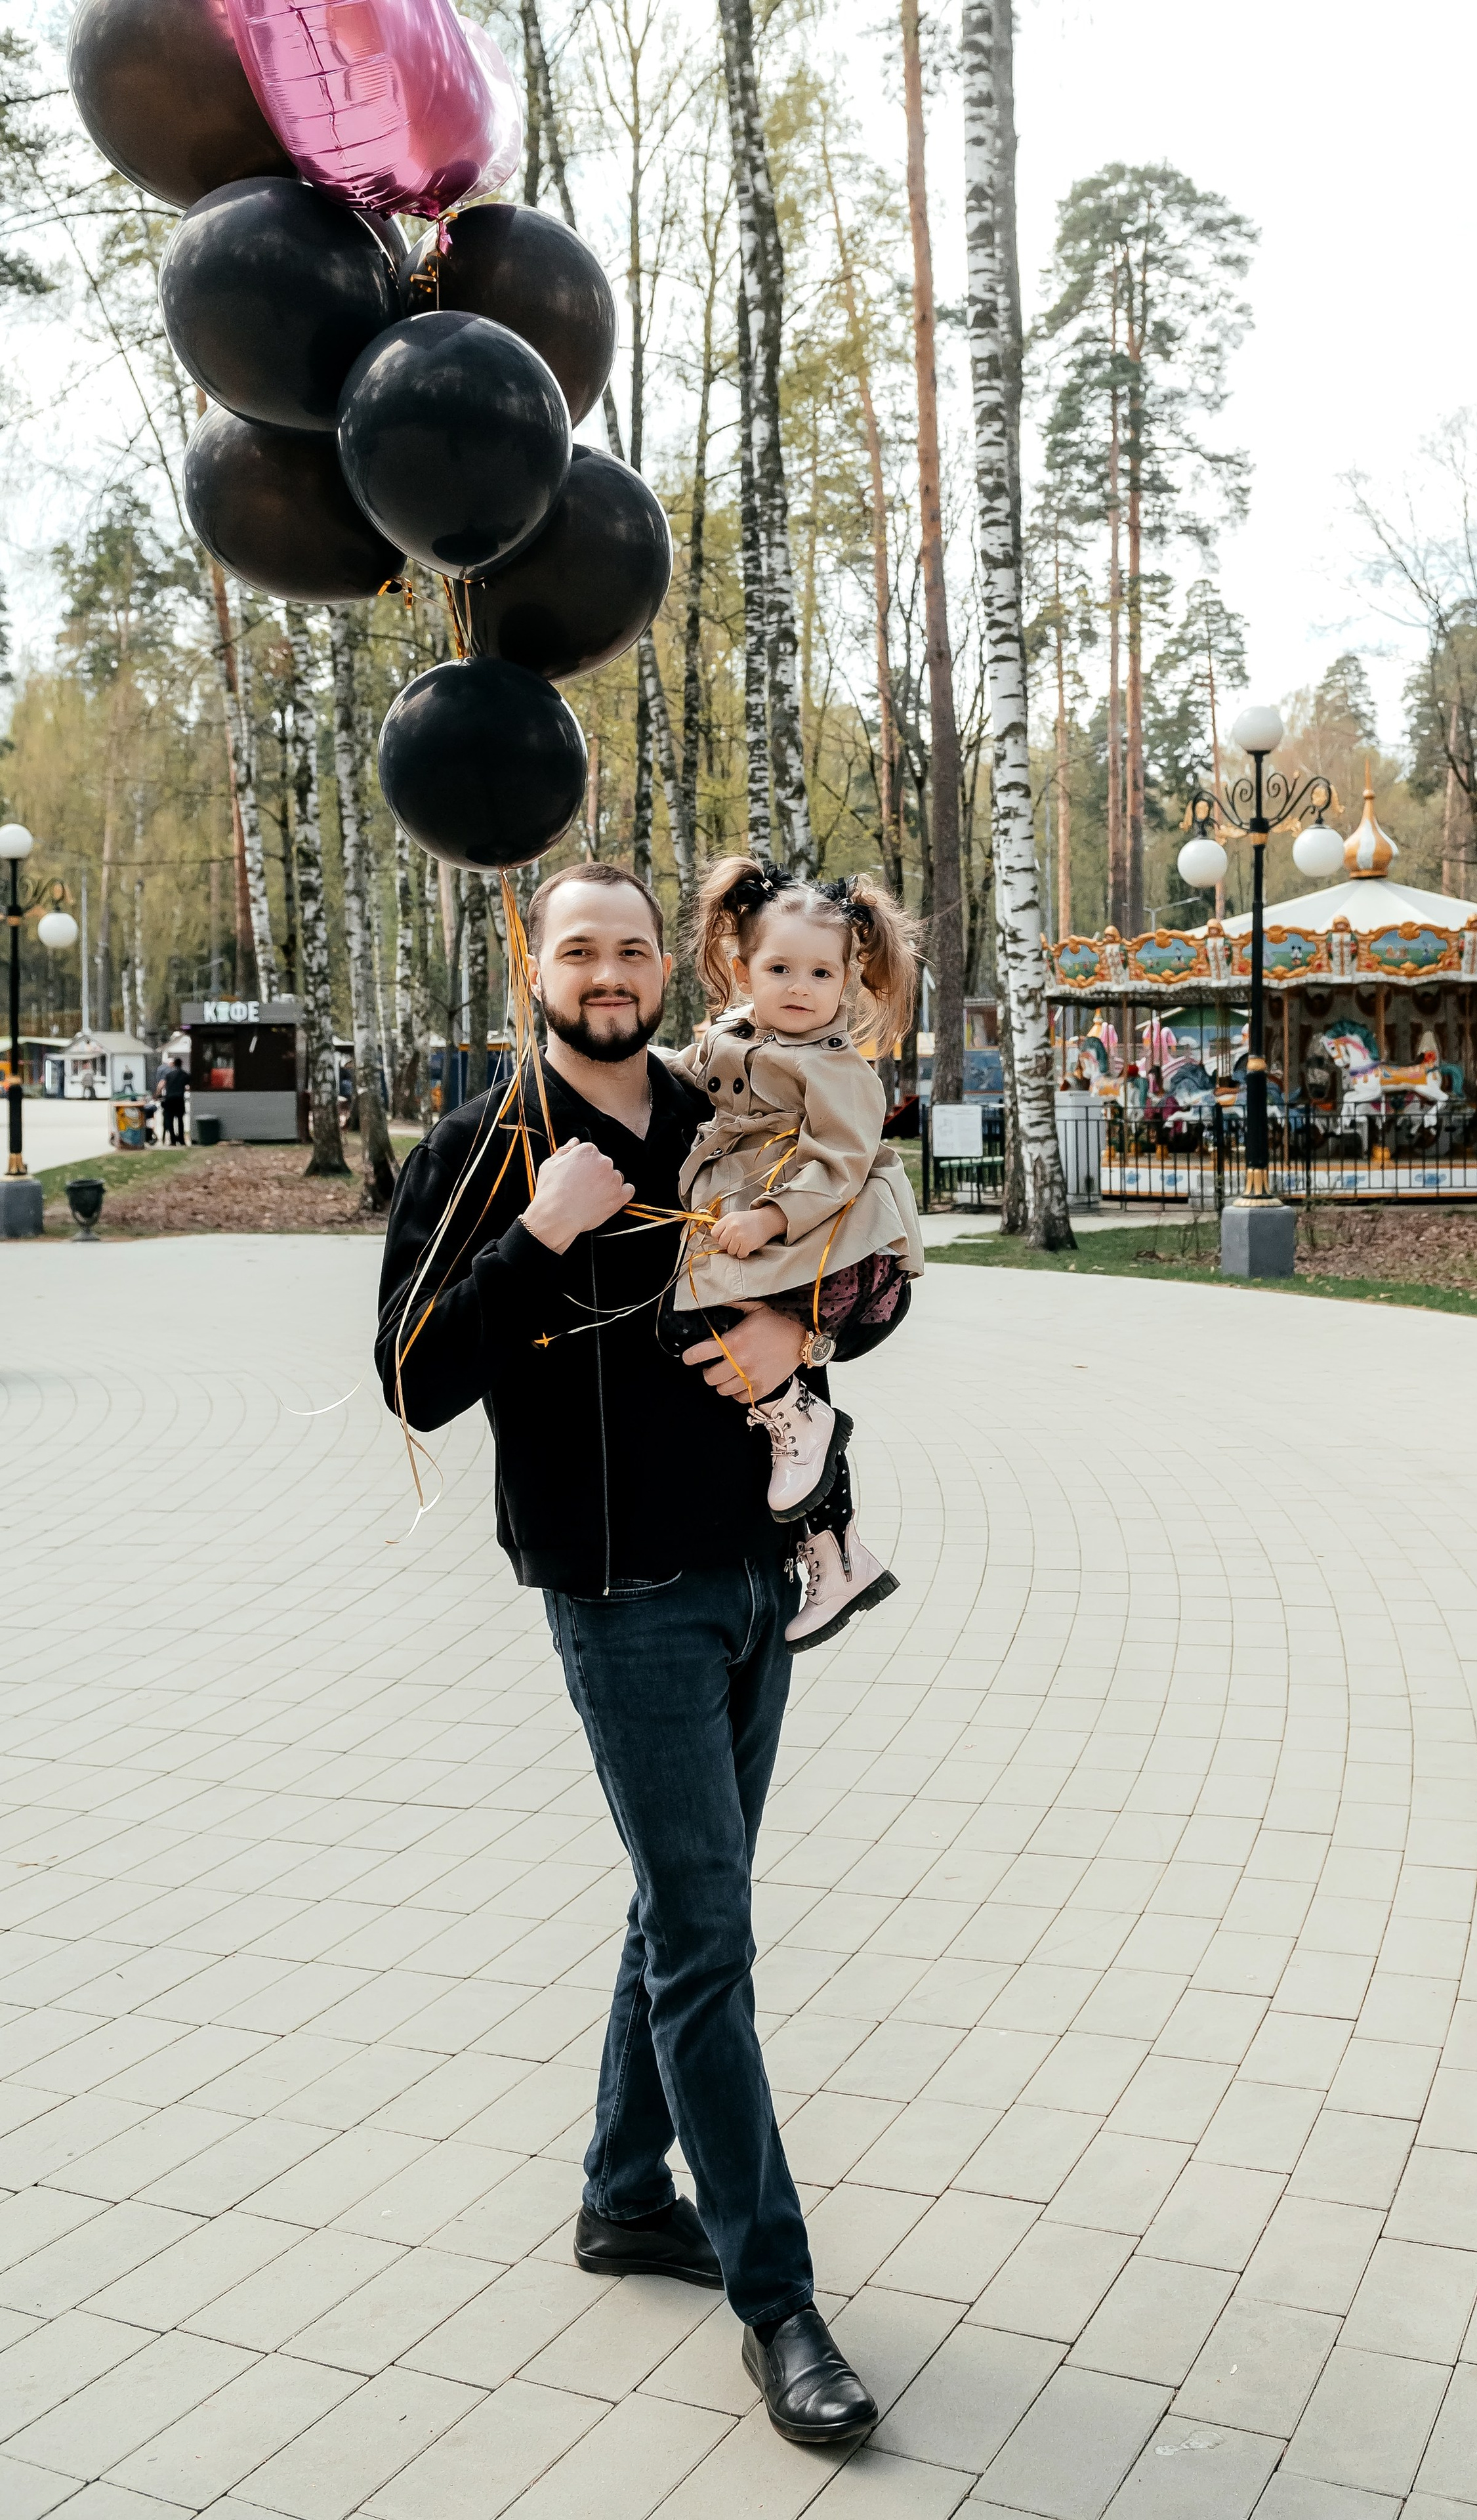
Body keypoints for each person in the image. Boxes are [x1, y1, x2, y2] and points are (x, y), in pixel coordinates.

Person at [374, 862, 892, 2451]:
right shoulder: (480, 1146)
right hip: (618, 1592)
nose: (609, 971)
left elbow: (858, 1250)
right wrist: (534, 1233)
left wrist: (811, 1333)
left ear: (680, 960)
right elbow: (410, 1375)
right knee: (706, 1932)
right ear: (537, 960)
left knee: (684, 1900)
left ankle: (619, 2194)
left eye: (634, 946)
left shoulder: (725, 1103)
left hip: (757, 1571)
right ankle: (776, 2298)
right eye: (578, 947)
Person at [667, 858, 923, 1648]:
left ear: (849, 979)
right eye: (780, 969)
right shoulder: (729, 1034)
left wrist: (771, 1218)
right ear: (744, 971)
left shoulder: (835, 1067)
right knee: (747, 1367)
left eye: (821, 972)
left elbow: (840, 1164)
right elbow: (681, 1075)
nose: (800, 987)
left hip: (822, 1231)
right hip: (753, 1223)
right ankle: (834, 1550)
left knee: (715, 1333)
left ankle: (799, 1422)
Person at [159, 1055, 188, 1146]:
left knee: (170, 1120)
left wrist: (158, 1095)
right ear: (181, 1064)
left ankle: (173, 1141)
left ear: (174, 1064)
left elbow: (161, 1085)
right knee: (180, 1120)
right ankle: (182, 1140)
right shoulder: (185, 1074)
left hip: (169, 1099)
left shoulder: (168, 1074)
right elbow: (189, 1086)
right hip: (179, 1099)